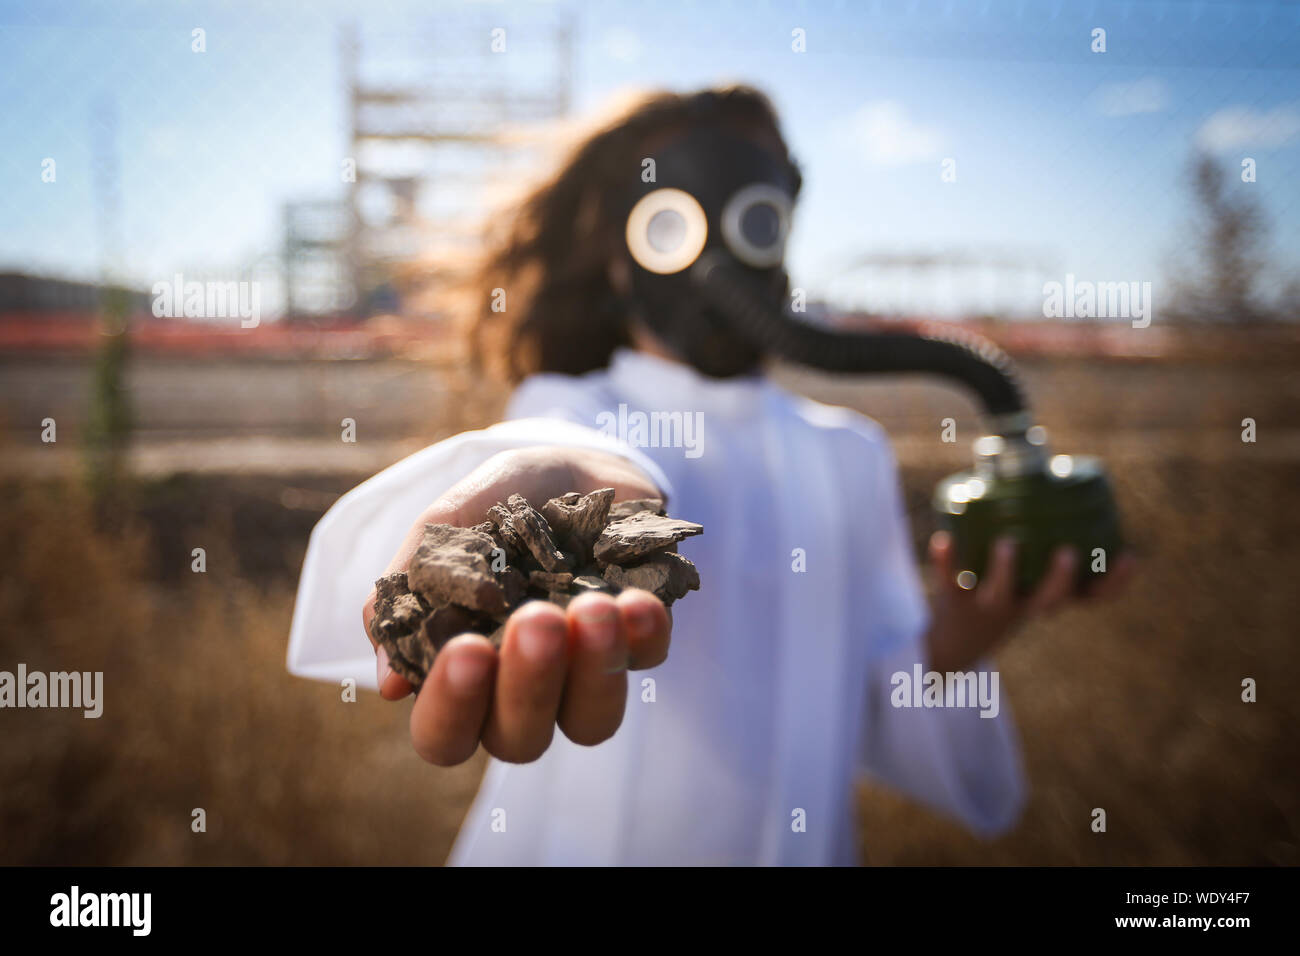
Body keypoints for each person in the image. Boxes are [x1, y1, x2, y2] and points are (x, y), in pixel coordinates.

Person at [287, 86, 1133, 865]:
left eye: (756, 217)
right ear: (619, 260)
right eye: (675, 224)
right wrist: (579, 482)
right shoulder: (574, 404)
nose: (723, 256)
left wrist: (964, 635)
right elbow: (556, 445)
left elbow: (865, 702)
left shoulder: (850, 453)